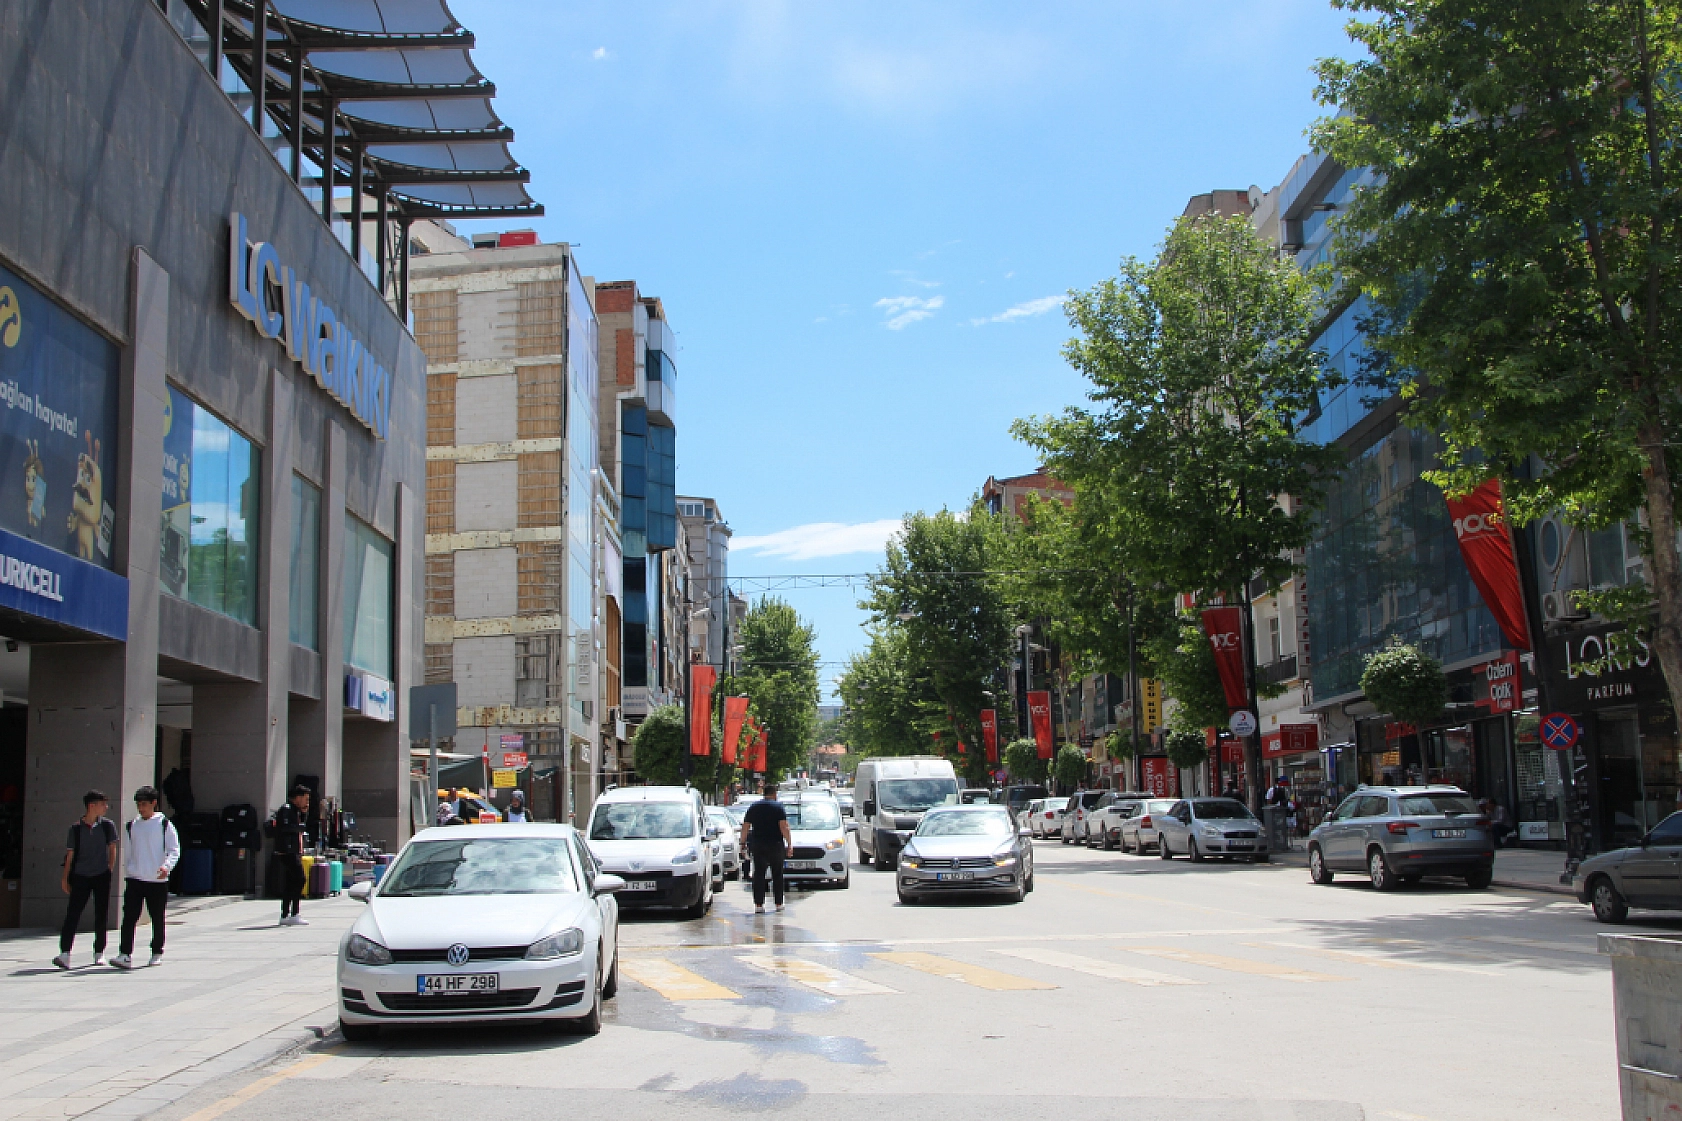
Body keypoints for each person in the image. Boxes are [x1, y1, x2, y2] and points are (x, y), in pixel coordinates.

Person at [112, 787, 179, 969]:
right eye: (138, 804)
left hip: (157, 880)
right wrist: (130, 871)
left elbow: (174, 849)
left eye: (144, 804)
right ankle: (125, 954)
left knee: (157, 917)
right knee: (129, 917)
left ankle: (157, 951)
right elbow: (129, 852)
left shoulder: (164, 824)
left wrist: (167, 866)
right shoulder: (131, 825)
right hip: (135, 879)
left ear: (153, 803)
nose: (140, 808)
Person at [55, 790, 118, 969]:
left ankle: (99, 952)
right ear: (92, 806)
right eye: (102, 804)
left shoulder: (107, 825)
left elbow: (112, 848)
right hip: (81, 876)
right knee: (73, 914)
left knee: (101, 914)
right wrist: (65, 878)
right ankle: (65, 953)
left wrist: (109, 869)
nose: (106, 807)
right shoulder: (75, 829)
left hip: (101, 875)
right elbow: (70, 855)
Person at [739, 780, 791, 914]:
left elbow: (745, 826)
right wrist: (789, 844)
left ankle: (759, 905)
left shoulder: (754, 807)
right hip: (775, 844)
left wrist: (742, 843)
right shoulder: (778, 807)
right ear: (774, 794)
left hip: (758, 845)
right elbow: (783, 827)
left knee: (759, 874)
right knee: (777, 874)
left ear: (764, 793)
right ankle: (778, 903)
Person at [271, 785, 311, 926]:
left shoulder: (295, 811)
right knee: (300, 879)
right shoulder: (287, 809)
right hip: (288, 851)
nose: (307, 802)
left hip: (293, 850)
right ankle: (294, 913)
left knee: (291, 882)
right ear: (298, 798)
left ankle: (286, 914)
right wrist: (299, 828)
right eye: (305, 799)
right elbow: (285, 828)